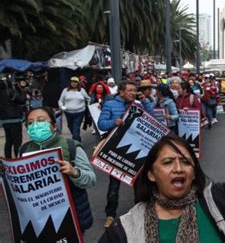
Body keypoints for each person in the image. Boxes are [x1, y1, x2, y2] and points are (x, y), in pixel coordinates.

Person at [99, 109, 225, 242]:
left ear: (193, 173)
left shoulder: (220, 203)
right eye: (167, 162)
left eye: (185, 162)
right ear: (151, 174)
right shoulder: (122, 231)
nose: (178, 168)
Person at [19, 106, 96, 233]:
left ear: (54, 126)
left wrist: (74, 173)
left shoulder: (71, 146)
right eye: (30, 123)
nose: (35, 125)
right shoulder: (24, 149)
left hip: (71, 217)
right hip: (40, 219)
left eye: (41, 120)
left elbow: (91, 180)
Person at [98, 80, 154, 228]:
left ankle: (140, 210)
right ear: (121, 91)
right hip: (116, 149)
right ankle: (110, 214)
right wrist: (113, 123)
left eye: (134, 90)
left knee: (139, 183)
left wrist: (145, 102)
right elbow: (101, 124)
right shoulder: (110, 105)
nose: (133, 93)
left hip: (135, 148)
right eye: (130, 90)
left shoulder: (138, 105)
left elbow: (153, 119)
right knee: (114, 185)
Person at [0, 77, 27, 158]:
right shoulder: (10, 91)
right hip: (14, 119)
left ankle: (8, 160)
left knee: (8, 141)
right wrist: (20, 89)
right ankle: (18, 159)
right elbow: (22, 100)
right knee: (17, 141)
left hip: (4, 120)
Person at [58, 76, 91, 142]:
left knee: (76, 128)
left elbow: (88, 99)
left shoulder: (82, 90)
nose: (74, 83)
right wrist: (62, 107)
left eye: (75, 82)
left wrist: (87, 106)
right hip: (68, 113)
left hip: (79, 113)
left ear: (78, 83)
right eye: (72, 82)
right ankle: (78, 139)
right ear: (70, 82)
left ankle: (76, 145)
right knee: (70, 127)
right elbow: (60, 100)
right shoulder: (65, 90)